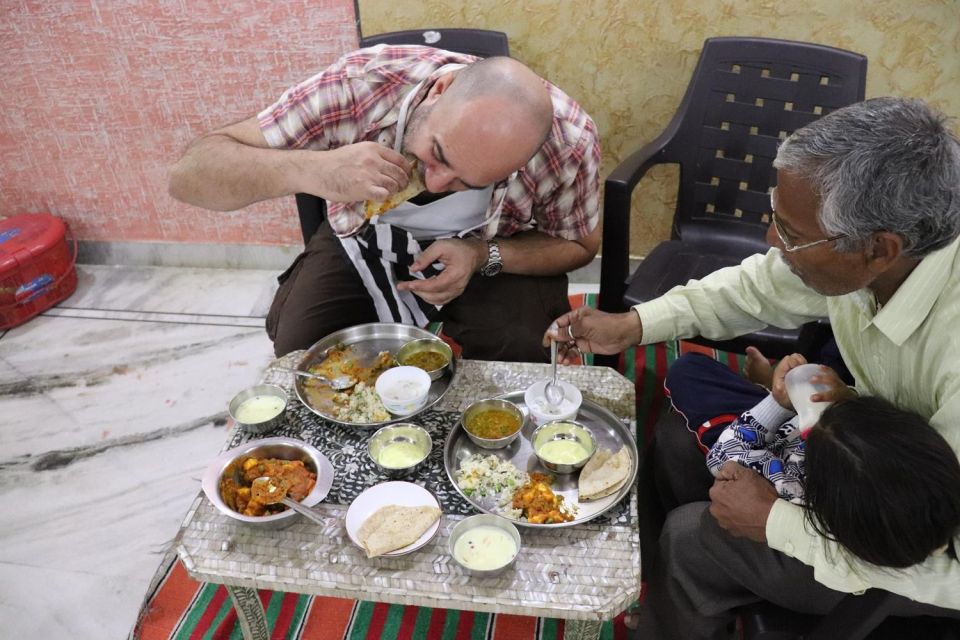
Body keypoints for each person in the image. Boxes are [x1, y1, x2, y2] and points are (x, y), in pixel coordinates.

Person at [546, 97, 960, 636]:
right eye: (775, 216)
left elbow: (944, 564)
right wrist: (634, 325)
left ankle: (692, 575)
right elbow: (759, 286)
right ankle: (673, 589)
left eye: (790, 233)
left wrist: (778, 524)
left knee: (693, 539)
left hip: (907, 551)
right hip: (850, 459)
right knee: (676, 439)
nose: (771, 240)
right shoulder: (874, 256)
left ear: (878, 250)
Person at [169, 45, 601, 362]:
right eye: (437, 154)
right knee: (303, 349)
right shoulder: (360, 86)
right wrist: (313, 171)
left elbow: (579, 245)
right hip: (361, 234)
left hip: (489, 248)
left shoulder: (568, 141)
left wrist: (480, 254)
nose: (435, 180)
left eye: (468, 183)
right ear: (441, 89)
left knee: (520, 352)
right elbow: (188, 177)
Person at [707, 353, 960, 573]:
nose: (823, 417)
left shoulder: (791, 486)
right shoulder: (910, 494)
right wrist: (847, 395)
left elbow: (722, 456)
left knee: (691, 527)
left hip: (752, 452)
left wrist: (776, 405)